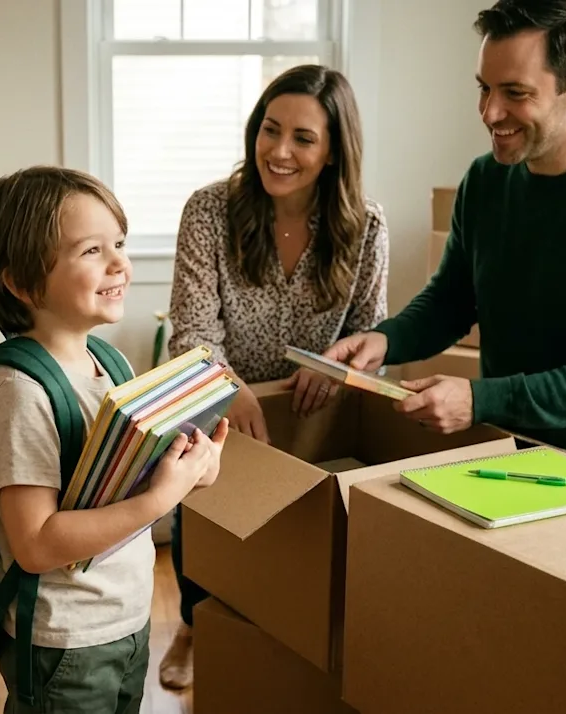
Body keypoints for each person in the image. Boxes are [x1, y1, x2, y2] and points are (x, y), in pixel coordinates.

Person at [325, 0, 566, 486]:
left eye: (515, 93)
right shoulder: (484, 181)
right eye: (484, 88)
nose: (489, 112)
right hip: (504, 443)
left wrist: (481, 399)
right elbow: (452, 301)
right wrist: (387, 340)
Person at [159, 64, 389, 689]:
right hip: (215, 393)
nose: (279, 151)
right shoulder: (210, 210)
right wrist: (227, 387)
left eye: (303, 138)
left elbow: (374, 334)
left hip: (309, 409)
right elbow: (190, 334)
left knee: (294, 541)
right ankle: (192, 622)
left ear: (335, 150)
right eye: (270, 129)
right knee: (200, 507)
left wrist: (340, 370)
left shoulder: (365, 227)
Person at [0, 166, 230, 713]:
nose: (120, 264)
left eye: (119, 243)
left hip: (125, 621)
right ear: (19, 280)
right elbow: (35, 544)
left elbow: (128, 481)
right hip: (64, 642)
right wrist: (160, 500)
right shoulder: (20, 393)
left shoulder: (109, 364)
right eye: (91, 250)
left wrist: (192, 471)